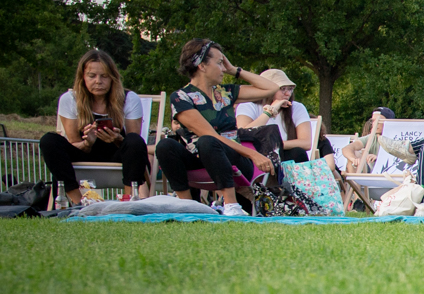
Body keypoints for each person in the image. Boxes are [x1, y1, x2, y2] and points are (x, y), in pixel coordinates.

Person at [154, 38, 277, 215]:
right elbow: (209, 134)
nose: (223, 68)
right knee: (166, 146)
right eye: (219, 63)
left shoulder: (225, 92)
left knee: (208, 142)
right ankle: (187, 206)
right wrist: (254, 153)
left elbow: (271, 88)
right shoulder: (181, 97)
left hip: (233, 158)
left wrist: (235, 70)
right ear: (202, 66)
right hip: (199, 156)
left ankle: (231, 205)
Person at [40, 48, 150, 207]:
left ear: (113, 78)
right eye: (92, 76)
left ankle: (127, 202)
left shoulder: (129, 99)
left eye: (104, 76)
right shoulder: (70, 100)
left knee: (134, 141)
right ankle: (78, 203)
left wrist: (118, 139)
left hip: (116, 153)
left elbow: (135, 142)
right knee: (49, 141)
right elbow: (73, 143)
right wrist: (87, 143)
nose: (98, 81)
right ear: (83, 77)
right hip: (84, 153)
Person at [234, 69, 329, 164]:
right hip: (255, 156)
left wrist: (274, 145)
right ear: (266, 90)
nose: (288, 94)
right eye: (283, 89)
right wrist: (269, 112)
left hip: (283, 156)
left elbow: (306, 143)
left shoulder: (297, 107)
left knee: (297, 152)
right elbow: (244, 134)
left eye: (290, 89)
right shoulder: (248, 105)